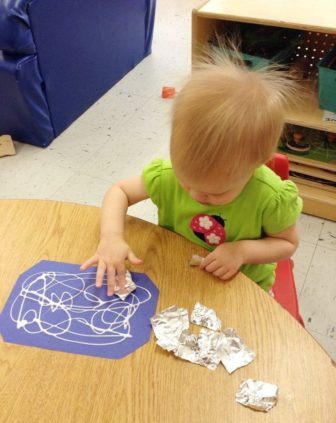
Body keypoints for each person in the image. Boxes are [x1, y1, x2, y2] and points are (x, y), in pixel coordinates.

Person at [81, 49, 302, 296]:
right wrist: (111, 237)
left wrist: (241, 251)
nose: (197, 196)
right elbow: (119, 191)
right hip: (176, 271)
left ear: (257, 164)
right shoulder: (168, 175)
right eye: (186, 182)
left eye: (216, 193)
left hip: (243, 286)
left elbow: (287, 243)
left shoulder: (270, 198)